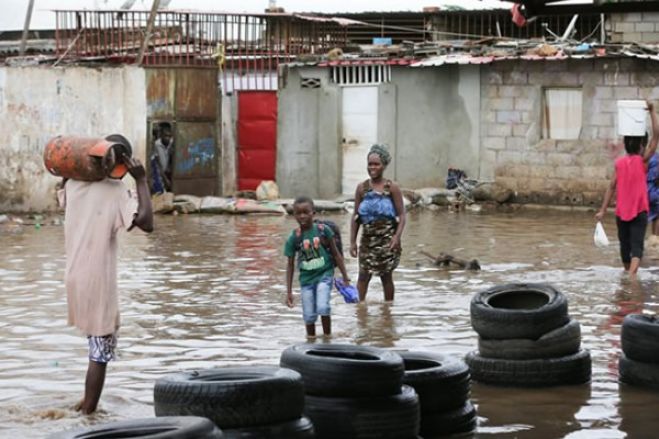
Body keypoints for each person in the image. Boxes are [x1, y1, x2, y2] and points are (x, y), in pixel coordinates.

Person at [60, 145, 153, 414]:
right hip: (97, 280)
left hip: (74, 276)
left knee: (96, 345)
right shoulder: (115, 192)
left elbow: (63, 189)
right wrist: (142, 180)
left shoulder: (74, 185)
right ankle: (89, 414)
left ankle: (84, 407)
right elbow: (147, 223)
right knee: (99, 352)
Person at [596, 101, 658, 279]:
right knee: (626, 248)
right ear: (640, 145)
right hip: (624, 212)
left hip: (636, 211)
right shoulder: (628, 163)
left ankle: (630, 280)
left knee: (633, 246)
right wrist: (602, 210)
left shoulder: (639, 162)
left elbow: (610, 187)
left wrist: (603, 209)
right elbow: (656, 139)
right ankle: (629, 278)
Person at [284, 196, 350, 337]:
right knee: (308, 316)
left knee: (323, 306)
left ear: (313, 213)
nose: (302, 216)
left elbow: (336, 254)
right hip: (306, 280)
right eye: (298, 213)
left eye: (306, 212)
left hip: (324, 275)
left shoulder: (323, 230)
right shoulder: (293, 238)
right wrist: (289, 291)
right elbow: (289, 266)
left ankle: (327, 338)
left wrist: (345, 276)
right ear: (294, 215)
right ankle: (311, 341)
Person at [350, 144, 406, 302]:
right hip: (367, 239)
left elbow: (402, 215)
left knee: (386, 277)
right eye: (370, 164)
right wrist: (352, 242)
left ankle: (388, 311)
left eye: (376, 164)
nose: (372, 167)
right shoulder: (362, 188)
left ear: (384, 166)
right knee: (363, 276)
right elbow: (356, 217)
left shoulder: (392, 188)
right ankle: (359, 311)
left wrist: (396, 237)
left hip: (387, 240)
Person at [150, 122, 174, 193]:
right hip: (160, 173)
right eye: (166, 136)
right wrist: (165, 179)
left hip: (170, 172)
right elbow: (157, 163)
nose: (168, 138)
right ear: (161, 135)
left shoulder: (172, 143)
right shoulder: (156, 145)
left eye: (169, 136)